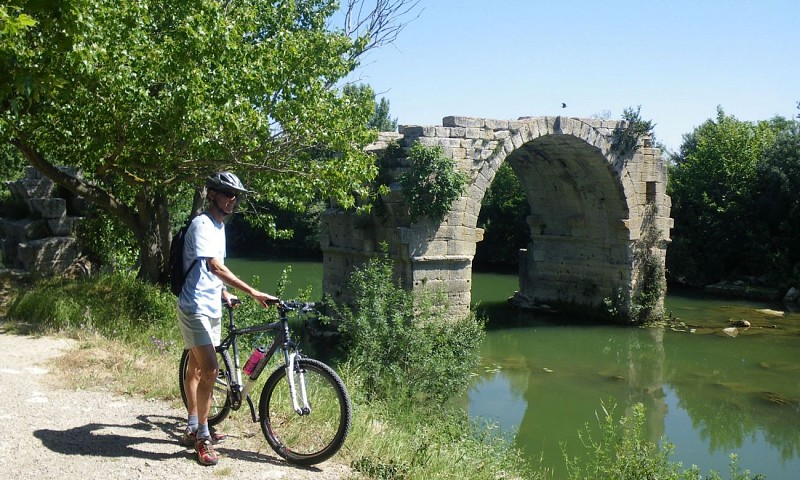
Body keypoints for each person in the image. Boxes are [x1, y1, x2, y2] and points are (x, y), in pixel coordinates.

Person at [177, 171, 278, 466]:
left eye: (236, 195)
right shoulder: (202, 225)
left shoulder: (220, 227)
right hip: (193, 305)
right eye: (227, 193)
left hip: (212, 305)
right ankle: (203, 438)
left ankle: (193, 425)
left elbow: (209, 272)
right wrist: (251, 291)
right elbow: (214, 266)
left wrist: (224, 294)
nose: (233, 200)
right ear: (212, 195)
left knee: (197, 367)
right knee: (210, 369)